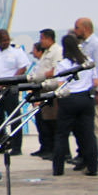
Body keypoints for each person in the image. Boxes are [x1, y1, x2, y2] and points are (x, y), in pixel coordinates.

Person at [48, 33, 98, 176]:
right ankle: (92, 167)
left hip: (69, 99)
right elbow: (95, 82)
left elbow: (59, 84)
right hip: (86, 99)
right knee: (88, 134)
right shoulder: (88, 61)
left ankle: (58, 169)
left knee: (62, 135)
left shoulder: (63, 64)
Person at [0, 29, 29, 155]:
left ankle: (17, 147)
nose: (6, 42)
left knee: (14, 118)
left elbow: (23, 67)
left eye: (8, 40)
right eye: (3, 40)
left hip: (10, 89)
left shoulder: (16, 50)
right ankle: (0, 145)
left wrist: (11, 80)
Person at [74, 18, 98, 175]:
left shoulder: (96, 44)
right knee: (89, 126)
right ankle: (92, 160)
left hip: (97, 89)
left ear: (85, 28)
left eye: (77, 28)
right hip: (88, 89)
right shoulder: (84, 45)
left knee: (97, 126)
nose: (75, 31)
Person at [30, 29, 62, 159]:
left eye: (42, 38)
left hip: (50, 89)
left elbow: (56, 72)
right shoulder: (47, 52)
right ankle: (46, 148)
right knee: (44, 121)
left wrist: (46, 80)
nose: (40, 41)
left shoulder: (56, 51)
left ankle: (54, 150)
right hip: (42, 89)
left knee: (52, 122)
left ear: (49, 39)